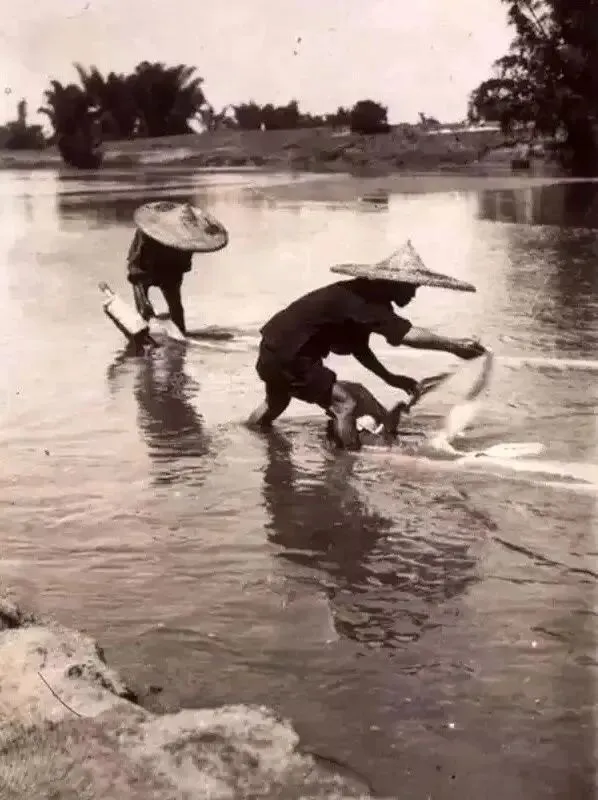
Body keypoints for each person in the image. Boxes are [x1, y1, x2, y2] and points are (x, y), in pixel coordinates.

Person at [247, 239, 486, 450]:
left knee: (275, 403)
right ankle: (348, 463)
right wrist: (454, 346)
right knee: (345, 405)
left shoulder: (360, 294)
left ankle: (246, 441)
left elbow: (359, 348)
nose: (413, 295)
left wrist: (390, 378)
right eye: (412, 287)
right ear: (395, 283)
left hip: (272, 346)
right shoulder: (369, 302)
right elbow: (407, 335)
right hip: (293, 354)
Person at [126, 200, 229, 336]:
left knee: (176, 307)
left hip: (171, 270)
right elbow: (135, 267)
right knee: (144, 307)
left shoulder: (188, 240)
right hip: (144, 268)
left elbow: (183, 266)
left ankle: (180, 333)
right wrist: (143, 299)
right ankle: (144, 332)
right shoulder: (148, 233)